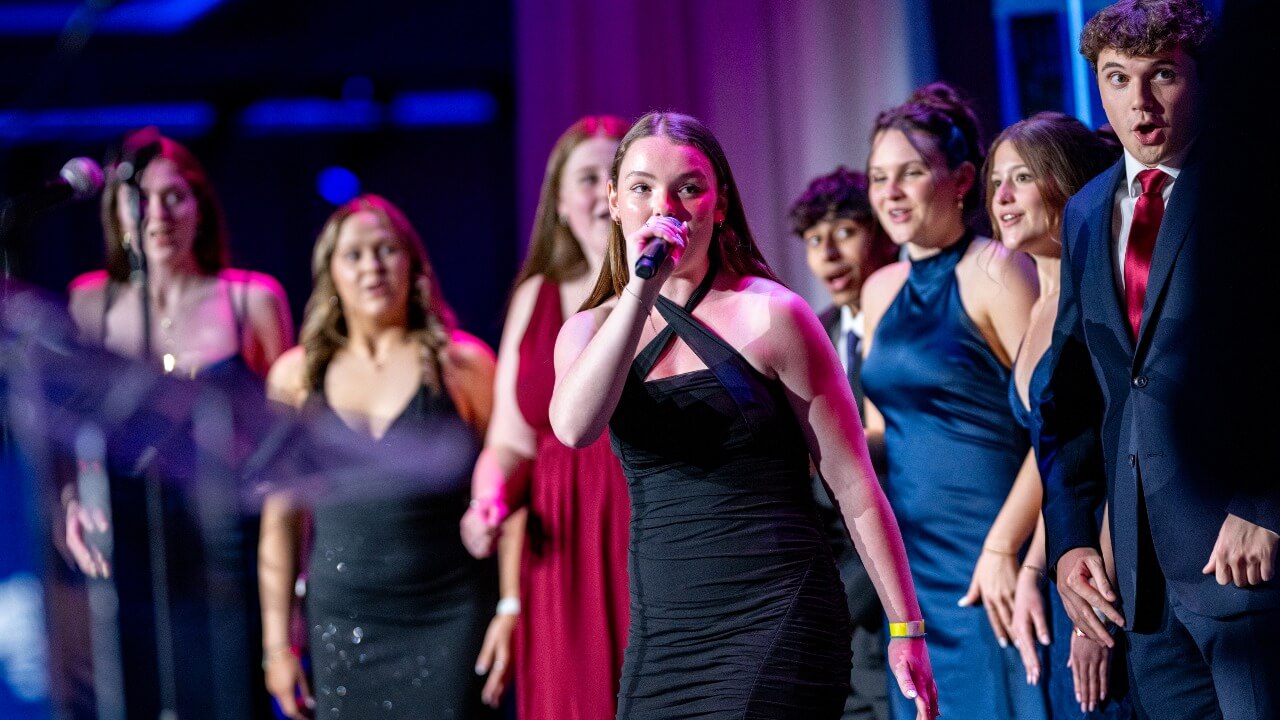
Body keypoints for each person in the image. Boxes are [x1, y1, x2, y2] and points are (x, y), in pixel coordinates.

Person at [548, 110, 938, 720]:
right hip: (665, 635)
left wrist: (905, 628)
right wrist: (640, 295)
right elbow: (575, 427)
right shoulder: (588, 333)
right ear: (615, 202)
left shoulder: (773, 316)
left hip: (778, 612)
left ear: (719, 203)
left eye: (689, 188)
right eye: (643, 188)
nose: (665, 208)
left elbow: (854, 483)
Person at [1038, 1, 1279, 718]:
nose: (1139, 102)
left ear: (1202, 78)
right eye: (1118, 78)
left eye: (1163, 75)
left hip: (1245, 557)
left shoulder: (1254, 189)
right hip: (1144, 588)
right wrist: (1072, 539)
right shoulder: (1085, 213)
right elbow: (1073, 397)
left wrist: (1265, 502)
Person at [59, 127, 294, 719]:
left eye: (174, 197)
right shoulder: (90, 303)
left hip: (226, 547)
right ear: (115, 212)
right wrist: (73, 498)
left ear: (200, 208)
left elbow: (285, 439)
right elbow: (74, 432)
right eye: (137, 198)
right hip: (132, 543)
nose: (157, 214)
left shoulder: (250, 299)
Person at [259, 194, 499, 719]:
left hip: (450, 614)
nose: (372, 266)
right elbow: (280, 519)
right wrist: (278, 645)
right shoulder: (296, 377)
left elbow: (512, 490)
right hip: (342, 619)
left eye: (386, 250)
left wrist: (511, 607)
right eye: (354, 254)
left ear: (413, 265)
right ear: (331, 273)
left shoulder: (466, 364)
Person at [858, 82, 1045, 720]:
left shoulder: (996, 270)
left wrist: (1005, 550)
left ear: (962, 178)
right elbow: (881, 431)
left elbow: (1058, 429)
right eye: (879, 176)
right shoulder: (879, 289)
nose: (890, 192)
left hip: (994, 552)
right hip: (914, 568)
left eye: (910, 173)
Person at [459, 114, 632, 717]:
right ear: (560, 202)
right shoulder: (535, 296)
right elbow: (508, 442)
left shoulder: (663, 285)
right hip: (561, 544)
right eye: (585, 178)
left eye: (614, 175)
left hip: (646, 521)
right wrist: (488, 501)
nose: (600, 191)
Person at [984, 111, 1133, 718]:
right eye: (997, 182)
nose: (1003, 197)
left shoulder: (1102, 294)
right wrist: (1037, 565)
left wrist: (1093, 608)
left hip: (1115, 570)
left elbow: (1116, 447)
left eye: (1023, 177)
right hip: (1070, 567)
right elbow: (1056, 459)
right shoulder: (1042, 300)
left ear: (1070, 185)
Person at [787, 166, 899, 720]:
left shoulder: (906, 317)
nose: (828, 253)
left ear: (881, 231)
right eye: (813, 240)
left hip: (906, 538)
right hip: (834, 547)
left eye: (845, 232)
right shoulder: (816, 330)